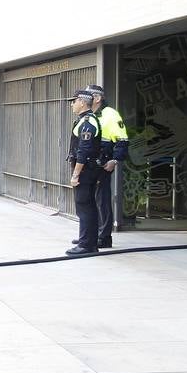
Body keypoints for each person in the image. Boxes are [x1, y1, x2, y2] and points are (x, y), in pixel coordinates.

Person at [83, 84, 129, 249]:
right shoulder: (89, 115)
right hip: (88, 164)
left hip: (103, 163)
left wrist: (115, 161)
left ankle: (104, 237)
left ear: (97, 98)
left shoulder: (111, 114)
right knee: (88, 201)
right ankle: (90, 236)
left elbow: (122, 140)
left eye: (87, 97)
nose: (83, 100)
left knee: (102, 200)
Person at [66, 89, 105, 256]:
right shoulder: (85, 120)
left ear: (82, 102)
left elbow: (83, 151)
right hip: (88, 169)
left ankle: (86, 245)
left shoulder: (87, 121)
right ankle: (89, 242)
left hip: (86, 171)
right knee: (87, 206)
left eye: (74, 101)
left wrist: (75, 174)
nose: (72, 104)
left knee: (84, 207)